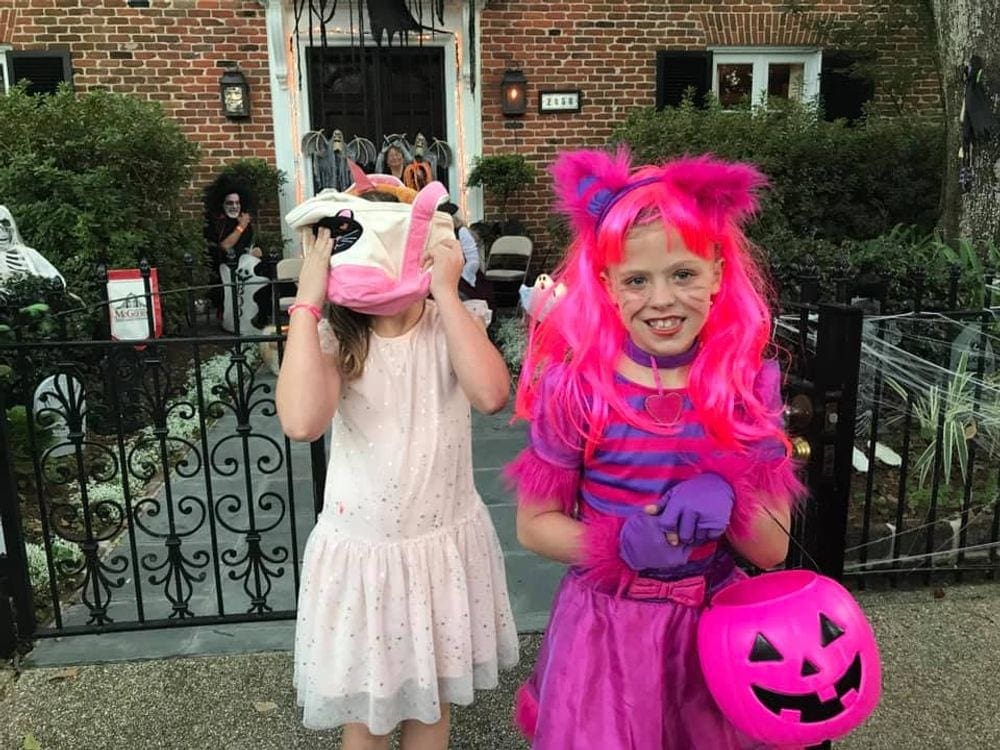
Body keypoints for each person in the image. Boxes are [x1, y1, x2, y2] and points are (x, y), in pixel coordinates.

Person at [503, 148, 807, 750]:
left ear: (718, 272)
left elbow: (771, 549)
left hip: (710, 632)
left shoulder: (746, 390)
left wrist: (729, 491)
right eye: (638, 280)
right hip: (604, 633)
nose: (662, 299)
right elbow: (533, 527)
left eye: (684, 274)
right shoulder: (577, 391)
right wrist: (615, 544)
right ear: (608, 286)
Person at [276, 180, 519, 750]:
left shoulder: (451, 325)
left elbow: (489, 394)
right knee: (366, 715)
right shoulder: (339, 337)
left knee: (429, 702)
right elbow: (301, 421)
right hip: (366, 557)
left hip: (439, 546)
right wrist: (308, 304)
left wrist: (449, 292)